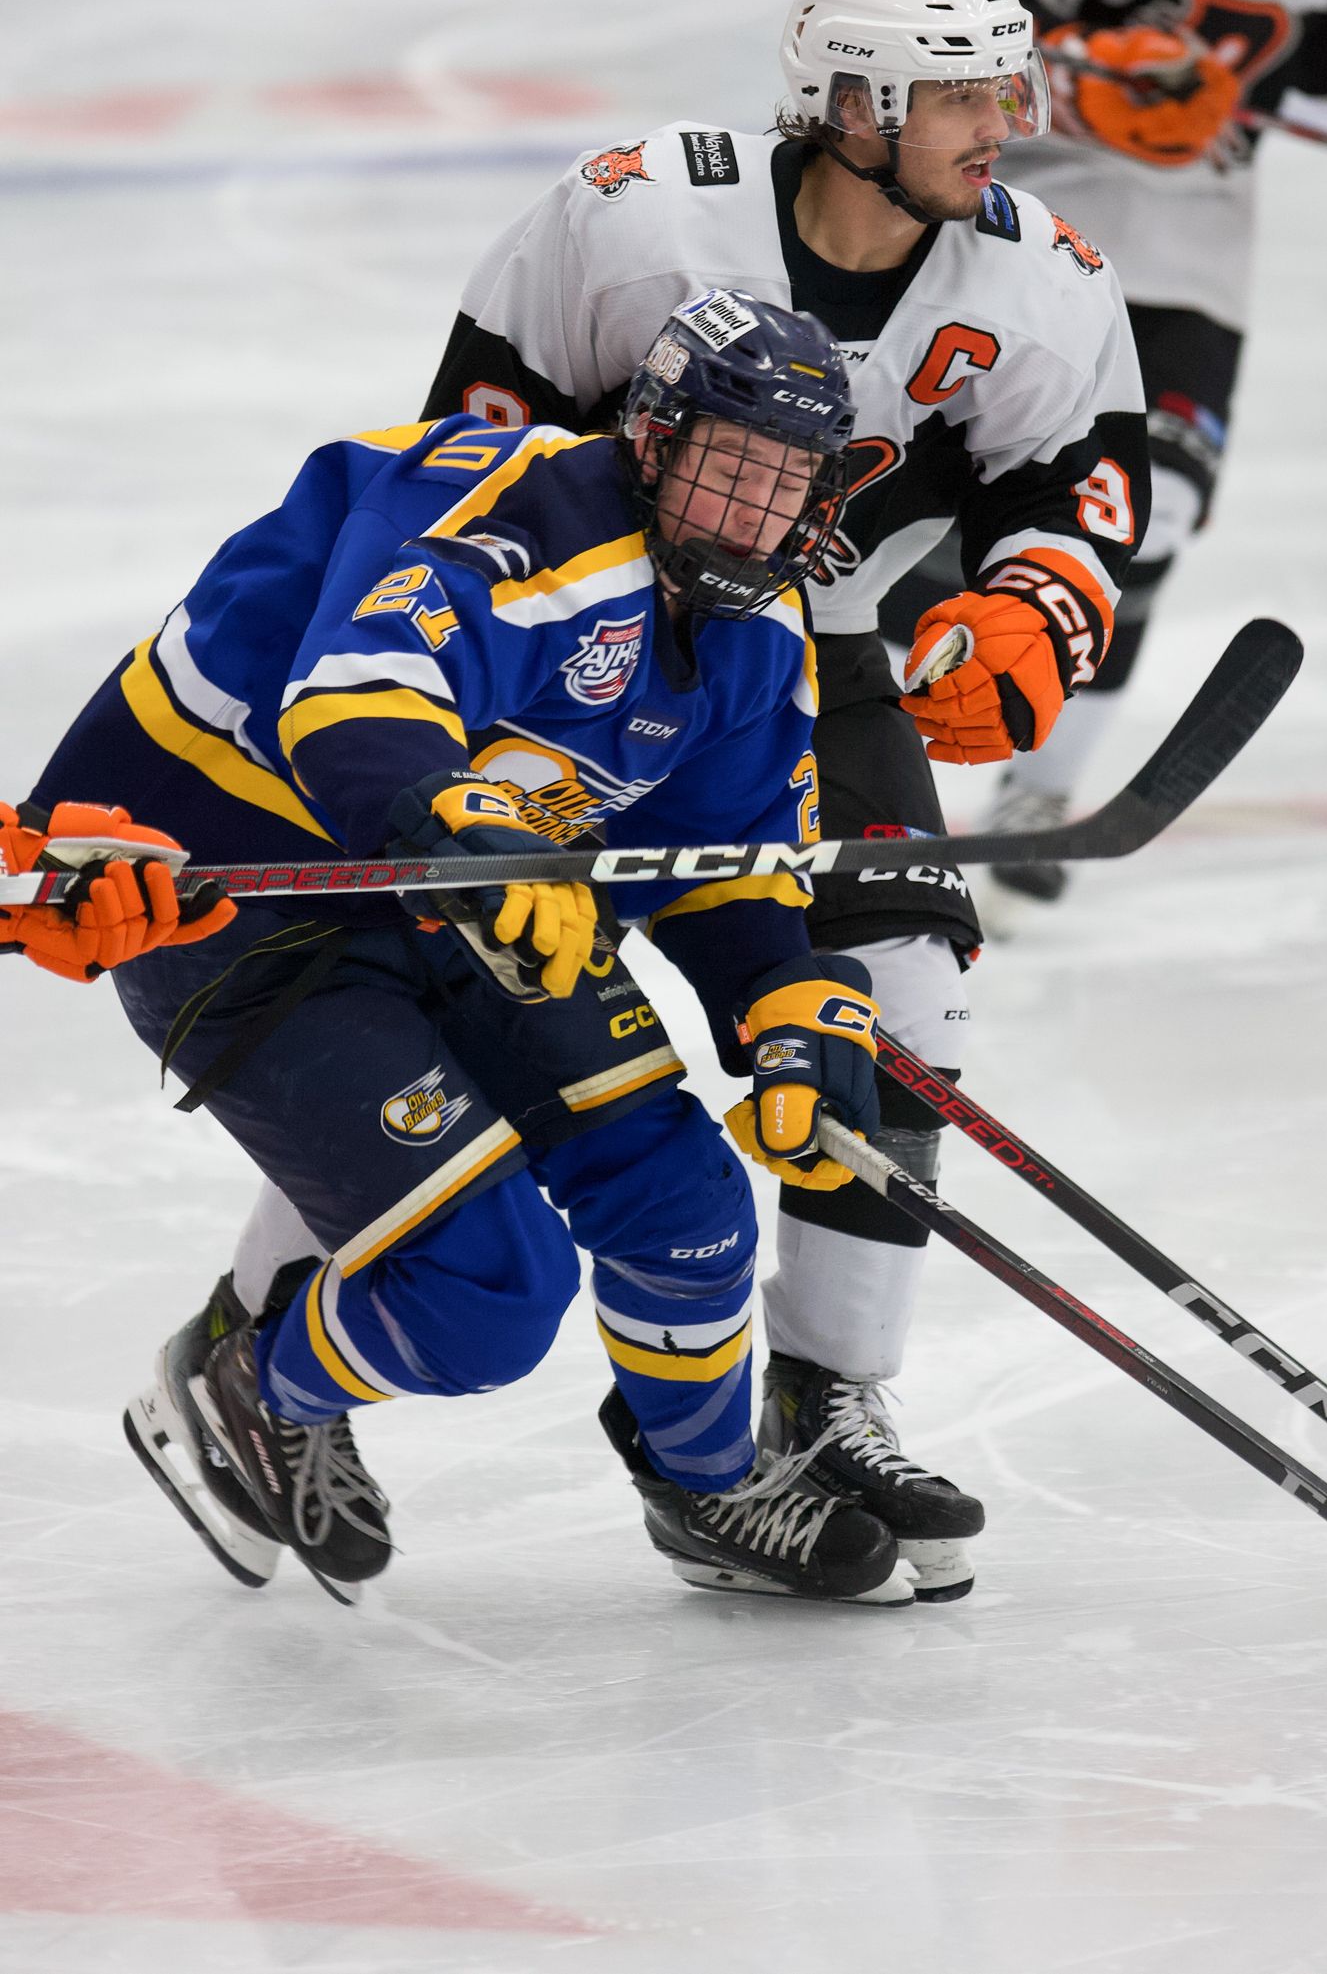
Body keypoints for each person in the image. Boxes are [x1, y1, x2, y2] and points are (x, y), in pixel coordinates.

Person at [404, 0, 1150, 1598]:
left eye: (999, 81)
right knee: (469, 1002)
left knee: (906, 995)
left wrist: (1032, 610)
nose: (999, 121)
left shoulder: (1030, 274)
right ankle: (259, 1346)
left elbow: (1079, 476)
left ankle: (819, 1400)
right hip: (580, 647)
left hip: (810, 658)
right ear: (848, 105)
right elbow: (464, 438)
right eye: (954, 91)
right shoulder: (633, 213)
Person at [7, 292, 921, 1608]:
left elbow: (714, 867)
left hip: (464, 889)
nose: (750, 511)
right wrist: (472, 827)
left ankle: (711, 1486)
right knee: (481, 1297)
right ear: (654, 444)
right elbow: (355, 698)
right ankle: (249, 1378)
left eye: (785, 483)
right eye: (727, 464)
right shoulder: (527, 519)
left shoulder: (755, 639)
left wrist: (782, 999)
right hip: (241, 892)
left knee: (690, 1209)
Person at [929, 0, 1327, 917]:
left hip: (1191, 255)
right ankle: (846, 718)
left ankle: (1040, 795)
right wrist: (1089, 83)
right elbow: (937, 58)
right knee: (919, 513)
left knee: (1151, 511)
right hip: (1008, 227)